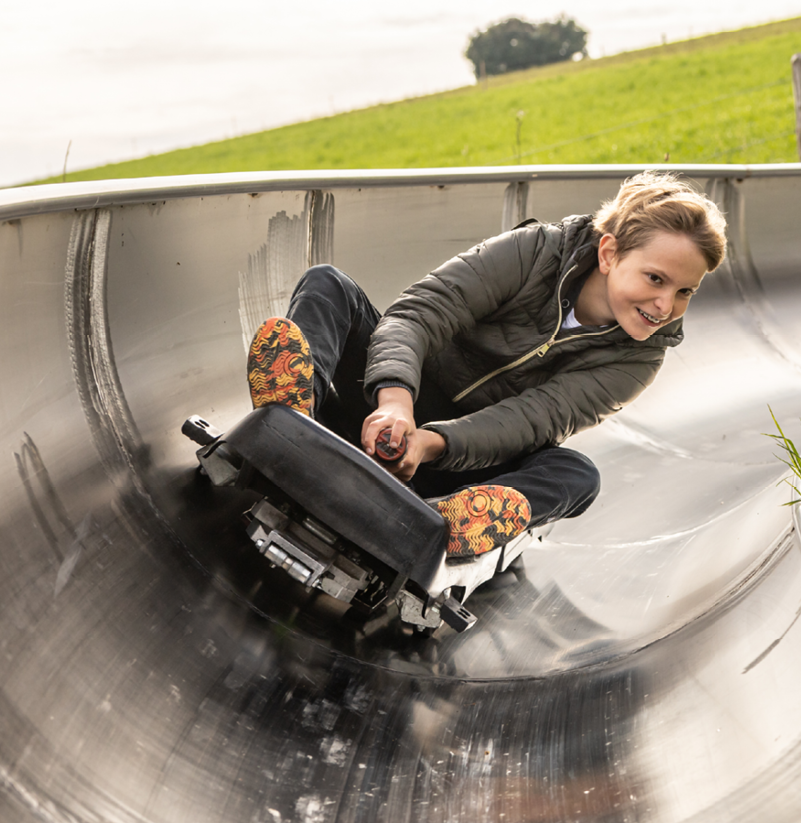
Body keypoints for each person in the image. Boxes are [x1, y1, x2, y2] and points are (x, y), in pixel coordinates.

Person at [244, 171, 726, 560]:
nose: (665, 305)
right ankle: (290, 421)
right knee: (328, 284)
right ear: (608, 253)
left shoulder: (639, 357)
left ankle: (444, 525)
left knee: (576, 475)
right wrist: (395, 401)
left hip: (453, 469)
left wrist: (431, 443)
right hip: (380, 407)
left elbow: (533, 419)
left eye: (685, 291)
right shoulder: (538, 252)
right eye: (655, 279)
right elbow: (421, 313)